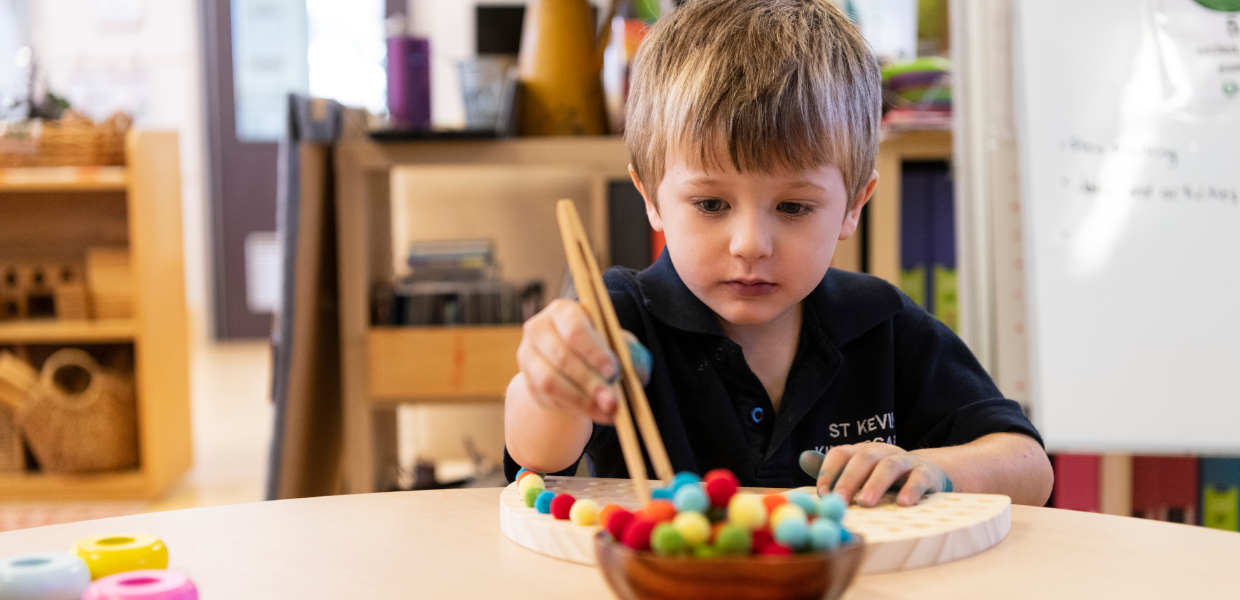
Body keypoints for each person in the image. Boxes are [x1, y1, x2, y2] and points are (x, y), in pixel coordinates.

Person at [503, 0, 1053, 507]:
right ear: (651, 197)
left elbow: (1030, 467)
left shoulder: (880, 325)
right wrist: (549, 387)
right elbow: (539, 457)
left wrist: (933, 468)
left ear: (852, 206)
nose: (751, 245)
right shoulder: (616, 314)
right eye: (711, 203)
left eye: (793, 208)